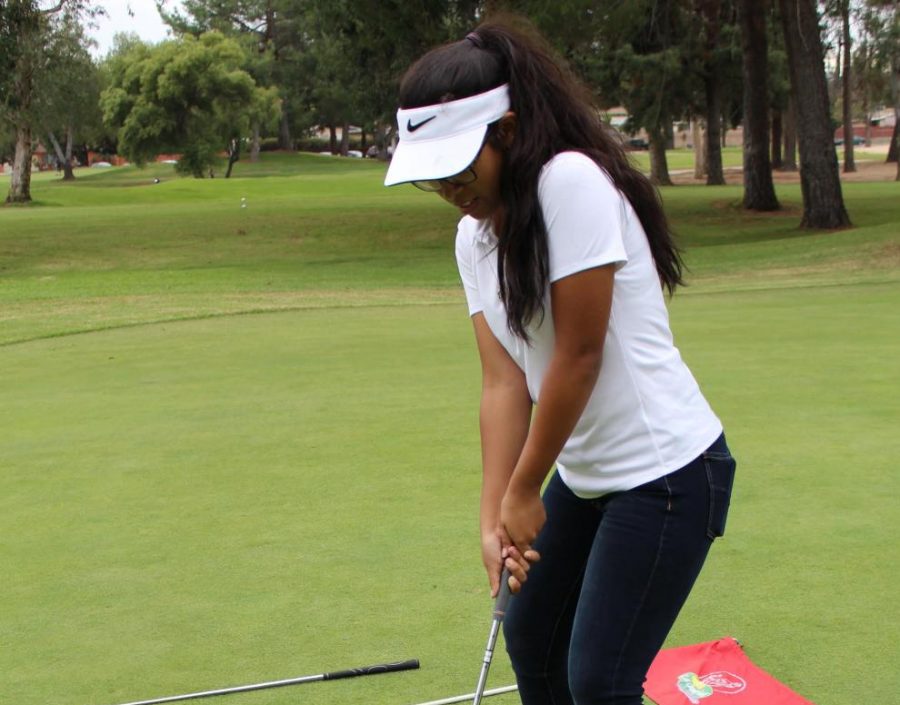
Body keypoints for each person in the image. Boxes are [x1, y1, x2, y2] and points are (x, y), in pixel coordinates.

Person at [384, 16, 736, 705]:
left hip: (667, 472)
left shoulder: (568, 182)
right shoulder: (472, 238)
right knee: (533, 639)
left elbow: (579, 355)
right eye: (433, 177)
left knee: (600, 681)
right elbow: (503, 381)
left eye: (458, 166)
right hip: (588, 476)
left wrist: (525, 489)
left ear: (506, 132)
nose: (451, 187)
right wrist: (492, 518)